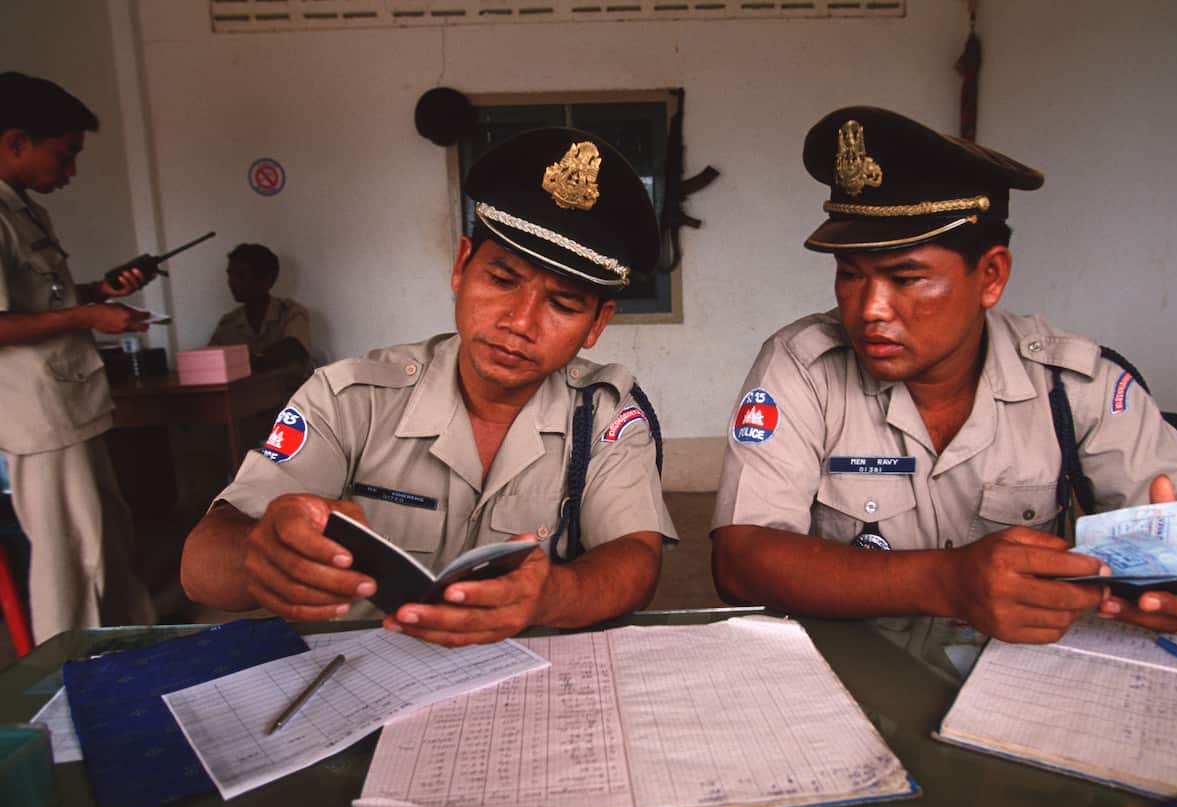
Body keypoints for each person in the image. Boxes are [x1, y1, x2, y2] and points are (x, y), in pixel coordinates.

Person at [711, 106, 1177, 676]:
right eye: (851, 275)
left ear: (991, 275)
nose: (870, 309)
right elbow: (742, 560)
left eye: (906, 278)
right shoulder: (805, 366)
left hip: (1032, 674)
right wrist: (946, 582)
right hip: (856, 672)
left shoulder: (1069, 384)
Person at [182, 128, 676, 646]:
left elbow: (635, 559)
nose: (520, 322)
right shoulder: (350, 398)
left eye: (564, 304)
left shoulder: (604, 412)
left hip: (529, 681)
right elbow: (201, 567)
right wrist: (262, 550)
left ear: (597, 324)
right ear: (462, 266)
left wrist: (552, 593)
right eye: (503, 280)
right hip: (363, 677)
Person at [0, 71, 157, 642]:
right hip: (37, 417)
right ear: (16, 141)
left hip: (72, 406)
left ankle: (128, 646)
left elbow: (42, 301)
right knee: (68, 555)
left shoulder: (25, 210)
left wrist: (97, 294)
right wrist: (89, 318)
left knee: (106, 537)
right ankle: (67, 664)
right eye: (63, 156)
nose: (69, 172)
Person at [209, 243, 315, 371]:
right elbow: (208, 363)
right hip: (245, 391)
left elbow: (293, 348)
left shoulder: (291, 312)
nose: (232, 282)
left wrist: (248, 361)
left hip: (290, 390)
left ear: (267, 280)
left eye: (241, 275)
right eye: (230, 275)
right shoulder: (228, 323)